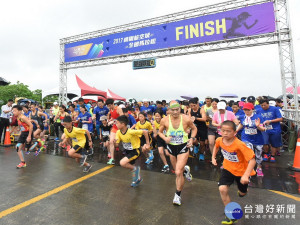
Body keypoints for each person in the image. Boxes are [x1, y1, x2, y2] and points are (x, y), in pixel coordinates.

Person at [212, 121, 256, 224]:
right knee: (222, 189)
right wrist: (213, 157)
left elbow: (253, 160)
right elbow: (216, 146)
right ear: (220, 131)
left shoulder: (240, 145)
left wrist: (246, 175)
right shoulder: (219, 140)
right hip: (227, 168)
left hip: (241, 172)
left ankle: (243, 191)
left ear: (234, 132)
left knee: (242, 192)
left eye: (228, 131)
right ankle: (231, 215)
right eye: (223, 131)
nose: (225, 133)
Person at [158, 100, 197, 206]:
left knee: (178, 172)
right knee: (177, 171)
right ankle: (186, 170)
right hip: (171, 148)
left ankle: (177, 195)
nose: (175, 112)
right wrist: (165, 138)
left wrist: (192, 139)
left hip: (183, 147)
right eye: (172, 110)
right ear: (169, 110)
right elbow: (159, 132)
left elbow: (194, 129)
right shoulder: (164, 120)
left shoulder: (186, 119)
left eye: (177, 110)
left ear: (180, 109)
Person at [115, 115, 150, 187]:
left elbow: (145, 132)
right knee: (131, 167)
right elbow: (116, 145)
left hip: (135, 151)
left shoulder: (131, 131)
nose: (116, 124)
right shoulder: (118, 132)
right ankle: (136, 179)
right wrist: (114, 142)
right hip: (127, 151)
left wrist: (148, 144)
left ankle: (136, 169)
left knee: (122, 163)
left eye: (117, 123)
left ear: (123, 124)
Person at [236, 103, 265, 176]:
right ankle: (249, 169)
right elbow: (242, 124)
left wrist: (258, 126)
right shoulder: (243, 117)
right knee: (249, 153)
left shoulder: (258, 117)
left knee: (258, 155)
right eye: (245, 110)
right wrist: (235, 131)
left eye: (248, 110)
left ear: (252, 109)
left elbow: (263, 129)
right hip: (246, 138)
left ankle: (259, 167)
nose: (246, 111)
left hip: (257, 139)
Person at [106, 98, 123, 165]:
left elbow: (122, 119)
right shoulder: (110, 110)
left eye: (110, 105)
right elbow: (114, 117)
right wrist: (110, 120)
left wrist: (114, 121)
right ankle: (112, 159)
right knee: (111, 142)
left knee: (117, 144)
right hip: (114, 128)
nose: (109, 107)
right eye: (108, 106)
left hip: (120, 128)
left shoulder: (118, 109)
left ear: (113, 103)